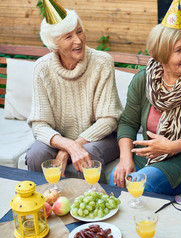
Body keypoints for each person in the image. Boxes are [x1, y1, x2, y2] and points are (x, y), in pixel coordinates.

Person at [109, 0, 181, 195]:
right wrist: (126, 159)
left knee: (144, 183)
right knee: (116, 177)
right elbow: (128, 122)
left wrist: (171, 146)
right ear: (161, 55)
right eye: (179, 50)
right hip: (153, 153)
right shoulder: (143, 79)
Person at [26, 1, 122, 184]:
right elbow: (39, 125)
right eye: (68, 37)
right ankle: (47, 202)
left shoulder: (102, 62)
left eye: (79, 31)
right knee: (37, 154)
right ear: (54, 43)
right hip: (63, 139)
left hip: (102, 138)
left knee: (88, 154)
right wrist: (68, 145)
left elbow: (109, 120)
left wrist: (72, 147)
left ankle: (92, 209)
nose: (78, 41)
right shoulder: (42, 68)